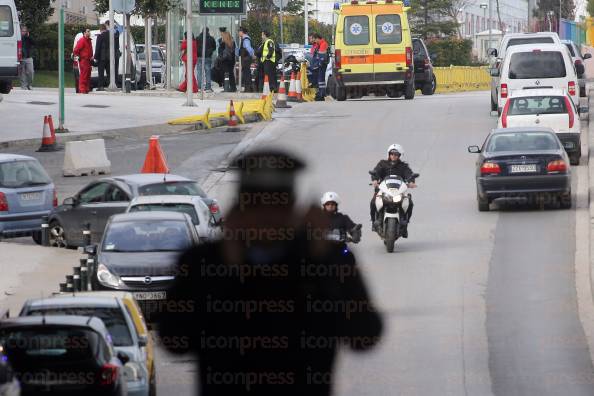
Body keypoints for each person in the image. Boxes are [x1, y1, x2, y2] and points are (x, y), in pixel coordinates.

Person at [156, 148, 383, 396]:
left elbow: (365, 336)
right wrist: (228, 268)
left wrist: (321, 262)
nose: (266, 218)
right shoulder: (203, 261)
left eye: (277, 206)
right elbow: (173, 339)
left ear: (293, 210)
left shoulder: (324, 259)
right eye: (256, 205)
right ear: (239, 210)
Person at [370, 144, 417, 236]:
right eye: (392, 154)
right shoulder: (382, 163)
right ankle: (374, 222)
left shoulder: (403, 166)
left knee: (410, 203)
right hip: (384, 190)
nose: (393, 156)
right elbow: (376, 172)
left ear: (399, 156)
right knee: (373, 202)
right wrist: (375, 180)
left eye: (396, 154)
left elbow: (409, 174)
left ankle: (405, 224)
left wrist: (411, 181)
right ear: (389, 154)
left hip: (398, 191)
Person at [196, 27, 216, 93]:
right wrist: (210, 52)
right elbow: (214, 47)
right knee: (208, 72)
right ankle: (208, 87)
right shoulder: (211, 38)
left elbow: (195, 47)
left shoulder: (198, 38)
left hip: (199, 57)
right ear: (208, 31)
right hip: (208, 57)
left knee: (199, 72)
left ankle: (199, 87)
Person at [73, 28, 93, 94]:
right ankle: (82, 89)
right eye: (88, 31)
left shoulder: (89, 40)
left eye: (89, 31)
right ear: (84, 33)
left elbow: (90, 50)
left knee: (87, 75)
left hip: (88, 61)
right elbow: (76, 50)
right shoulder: (82, 40)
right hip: (84, 61)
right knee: (83, 75)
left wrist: (91, 57)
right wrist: (79, 58)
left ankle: (86, 88)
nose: (89, 33)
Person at [238, 26, 255, 92]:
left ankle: (248, 88)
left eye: (239, 31)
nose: (238, 33)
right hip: (246, 58)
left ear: (242, 32)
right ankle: (249, 87)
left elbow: (249, 48)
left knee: (246, 72)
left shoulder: (246, 39)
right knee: (246, 72)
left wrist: (252, 55)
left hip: (246, 58)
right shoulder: (245, 39)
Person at [312, 33, 329, 101]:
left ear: (317, 38)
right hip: (320, 65)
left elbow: (322, 57)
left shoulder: (323, 44)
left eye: (315, 39)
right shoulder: (319, 44)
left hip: (322, 65)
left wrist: (319, 64)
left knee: (321, 80)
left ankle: (322, 94)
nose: (315, 41)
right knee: (320, 80)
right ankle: (321, 93)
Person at [94, 24, 109, 90]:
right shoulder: (110, 36)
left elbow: (98, 48)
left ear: (101, 29)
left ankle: (101, 86)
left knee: (101, 72)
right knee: (109, 73)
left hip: (102, 57)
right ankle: (110, 85)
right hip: (109, 57)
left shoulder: (100, 36)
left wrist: (95, 57)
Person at [19, 26, 34, 90]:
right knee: (22, 72)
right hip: (21, 57)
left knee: (31, 71)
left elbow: (34, 42)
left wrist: (28, 36)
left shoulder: (28, 38)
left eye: (24, 31)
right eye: (22, 31)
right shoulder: (18, 38)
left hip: (28, 57)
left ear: (26, 32)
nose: (23, 32)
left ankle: (29, 84)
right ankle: (23, 86)